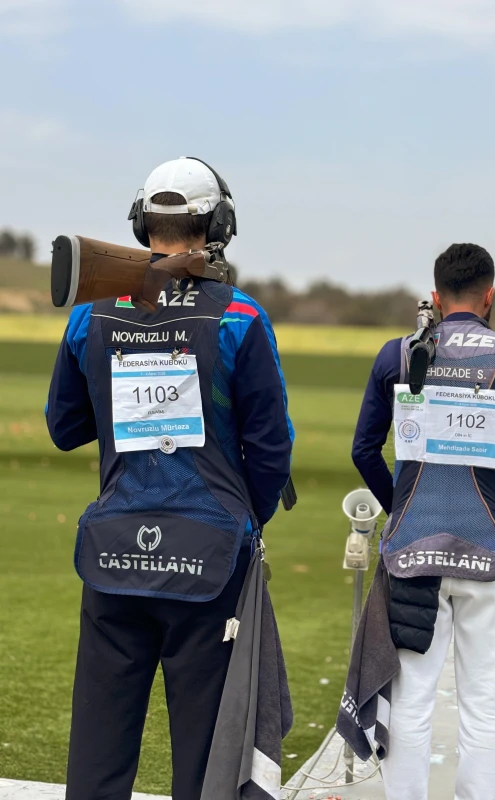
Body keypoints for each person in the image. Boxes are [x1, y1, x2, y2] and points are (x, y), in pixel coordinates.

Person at [46, 156, 294, 800]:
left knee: (97, 760)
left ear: (139, 223)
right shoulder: (241, 316)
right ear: (219, 224)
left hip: (113, 554)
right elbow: (271, 452)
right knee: (206, 765)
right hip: (211, 561)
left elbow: (64, 427)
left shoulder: (90, 314)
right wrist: (246, 522)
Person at [351, 243, 495, 800]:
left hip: (410, 553)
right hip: (489, 549)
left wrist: (401, 506)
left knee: (411, 704)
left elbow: (364, 450)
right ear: (490, 295)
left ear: (436, 293)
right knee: (487, 703)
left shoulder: (397, 354)